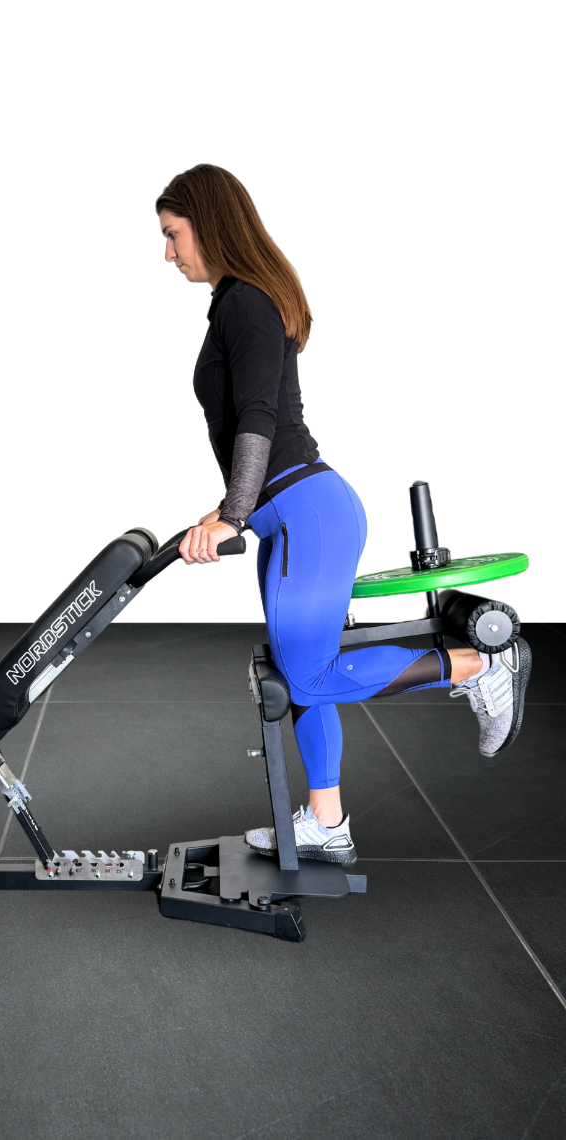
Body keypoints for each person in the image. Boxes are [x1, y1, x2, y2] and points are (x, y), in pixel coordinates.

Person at [156, 164, 531, 865]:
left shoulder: (245, 301)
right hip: (287, 512)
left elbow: (259, 419)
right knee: (299, 666)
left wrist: (233, 513)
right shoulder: (239, 301)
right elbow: (258, 423)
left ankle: (477, 665)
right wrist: (228, 510)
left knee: (308, 674)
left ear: (208, 224)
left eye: (173, 234)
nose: (167, 253)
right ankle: (326, 823)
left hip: (307, 513)